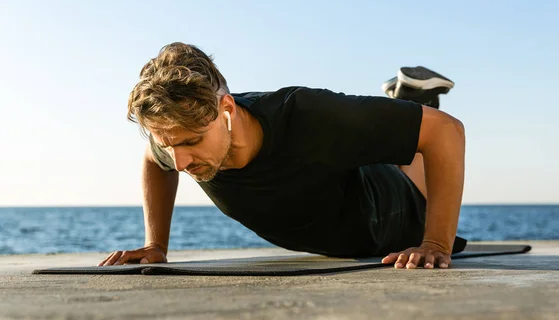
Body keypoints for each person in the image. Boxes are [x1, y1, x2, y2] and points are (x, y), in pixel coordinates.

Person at [98, 42, 465, 270]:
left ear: (226, 109)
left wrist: (435, 243)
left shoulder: (305, 114)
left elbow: (446, 132)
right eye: (168, 143)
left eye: (192, 142)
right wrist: (156, 245)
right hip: (333, 218)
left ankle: (414, 100)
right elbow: (153, 160)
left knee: (411, 174)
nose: (180, 161)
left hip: (382, 211)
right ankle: (402, 104)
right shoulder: (179, 141)